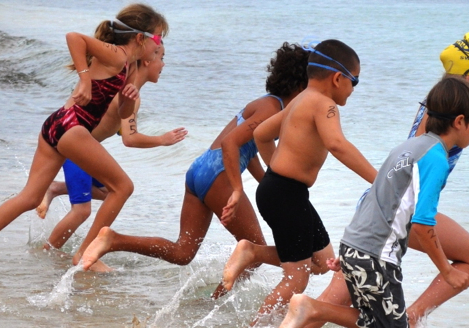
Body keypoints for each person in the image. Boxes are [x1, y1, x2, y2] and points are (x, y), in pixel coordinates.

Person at [248, 31, 469, 328]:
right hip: (399, 211)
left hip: (377, 207)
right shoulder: (441, 113)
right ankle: (412, 316)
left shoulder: (441, 105)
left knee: (335, 299)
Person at [267, 75, 469, 328]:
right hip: (377, 257)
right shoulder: (436, 159)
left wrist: (349, 254)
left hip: (357, 245)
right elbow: (424, 225)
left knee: (378, 325)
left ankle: (316, 309)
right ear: (460, 121)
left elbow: (374, 202)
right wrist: (447, 271)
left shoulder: (407, 147)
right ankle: (312, 308)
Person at [79, 42, 311, 292]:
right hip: (218, 174)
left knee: (182, 252)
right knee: (253, 249)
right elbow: (230, 143)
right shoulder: (272, 108)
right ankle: (215, 303)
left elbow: (249, 148)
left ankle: (113, 240)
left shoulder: (268, 103)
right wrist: (236, 188)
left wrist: (269, 182)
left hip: (200, 170)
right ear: (301, 84)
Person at [0, 3, 168, 274]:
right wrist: (85, 80)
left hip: (57, 123)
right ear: (140, 37)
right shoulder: (117, 55)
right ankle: (85, 253)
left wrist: (127, 101)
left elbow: (123, 113)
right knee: (122, 187)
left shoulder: (131, 68)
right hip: (73, 125)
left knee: (30, 197)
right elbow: (74, 37)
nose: (159, 46)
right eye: (158, 39)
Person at [220, 39, 377, 326]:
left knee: (322, 262)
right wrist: (380, 181)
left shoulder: (301, 100)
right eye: (355, 82)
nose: (354, 89)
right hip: (285, 193)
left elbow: (262, 134)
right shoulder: (324, 104)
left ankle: (251, 251)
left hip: (282, 191)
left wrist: (275, 170)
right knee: (298, 276)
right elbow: (337, 144)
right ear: (338, 78)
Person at [35, 45, 187, 259]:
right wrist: (162, 140)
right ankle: (48, 255)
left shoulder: (127, 89)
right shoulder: (127, 93)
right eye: (160, 57)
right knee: (82, 210)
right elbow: (130, 138)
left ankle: (56, 189)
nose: (163, 64)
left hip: (78, 144)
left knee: (109, 192)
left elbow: (117, 127)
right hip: (76, 148)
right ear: (146, 61)